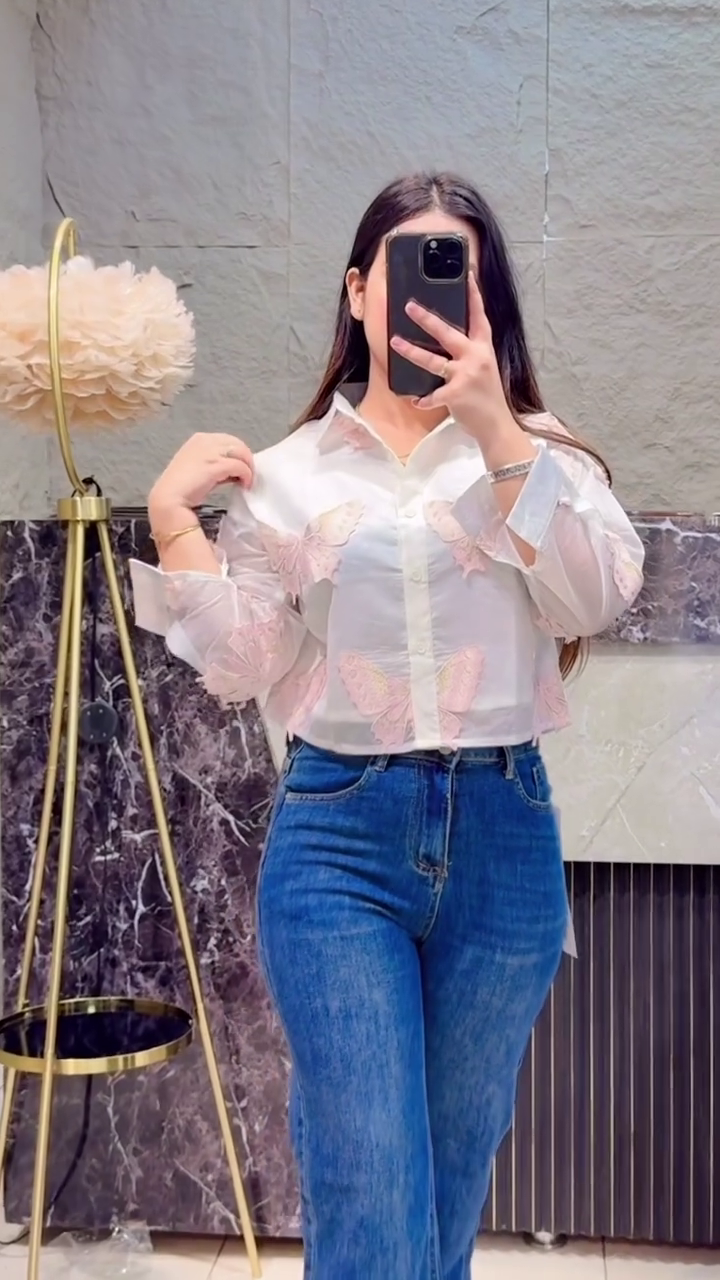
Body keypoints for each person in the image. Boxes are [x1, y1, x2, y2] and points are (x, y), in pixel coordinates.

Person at [130, 172, 644, 1280]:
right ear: (358, 289)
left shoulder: (538, 450)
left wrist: (497, 431)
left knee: (452, 1173)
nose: (428, 292)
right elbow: (245, 665)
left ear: (487, 303)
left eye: (460, 272)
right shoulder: (288, 474)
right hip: (338, 838)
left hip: (505, 831)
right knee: (370, 1179)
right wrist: (176, 526)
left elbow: (592, 599)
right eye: (408, 266)